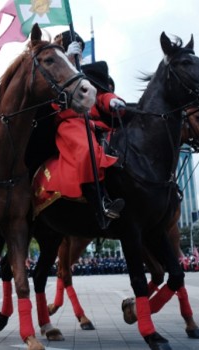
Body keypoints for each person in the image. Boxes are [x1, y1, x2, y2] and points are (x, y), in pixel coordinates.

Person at [50, 31, 126, 228]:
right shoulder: (55, 73)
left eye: (81, 49)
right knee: (86, 150)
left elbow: (103, 95)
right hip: (72, 121)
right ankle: (101, 206)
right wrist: (66, 60)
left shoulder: (90, 72)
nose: (79, 53)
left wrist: (112, 101)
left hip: (97, 123)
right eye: (75, 48)